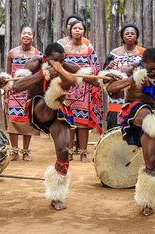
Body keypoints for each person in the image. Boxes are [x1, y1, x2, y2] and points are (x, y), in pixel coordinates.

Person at [0, 42, 81, 210]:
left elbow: (93, 79)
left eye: (61, 61)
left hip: (57, 110)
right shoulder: (34, 64)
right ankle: (58, 93)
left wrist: (109, 78)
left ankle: (56, 195)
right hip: (37, 106)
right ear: (45, 57)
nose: (58, 64)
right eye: (54, 60)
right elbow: (17, 87)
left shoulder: (68, 66)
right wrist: (42, 74)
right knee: (55, 93)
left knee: (63, 150)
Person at [105, 48, 155, 216]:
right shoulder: (131, 69)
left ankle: (148, 201)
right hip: (133, 110)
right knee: (146, 116)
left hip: (152, 113)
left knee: (151, 159)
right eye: (150, 69)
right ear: (142, 63)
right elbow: (112, 89)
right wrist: (132, 79)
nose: (153, 71)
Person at [63, 20, 102, 163]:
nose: (77, 30)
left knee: (83, 122)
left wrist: (93, 86)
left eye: (80, 28)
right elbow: (59, 67)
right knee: (69, 122)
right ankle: (69, 151)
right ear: (70, 31)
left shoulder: (89, 49)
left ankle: (83, 152)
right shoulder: (65, 49)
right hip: (69, 88)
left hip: (85, 89)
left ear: (84, 32)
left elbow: (95, 68)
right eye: (75, 28)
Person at [5, 27, 42, 161]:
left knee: (28, 121)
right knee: (13, 120)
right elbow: (8, 75)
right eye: (24, 33)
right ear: (20, 36)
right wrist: (6, 96)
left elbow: (39, 76)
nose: (26, 35)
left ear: (33, 38)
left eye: (29, 34)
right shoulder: (12, 53)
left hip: (29, 92)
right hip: (14, 92)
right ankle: (14, 151)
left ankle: (25, 152)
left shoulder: (38, 54)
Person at [104, 24, 145, 129]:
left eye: (133, 34)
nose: (130, 36)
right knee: (115, 128)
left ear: (137, 36)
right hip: (117, 93)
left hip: (136, 93)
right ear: (122, 37)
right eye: (127, 34)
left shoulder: (143, 53)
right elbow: (104, 75)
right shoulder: (114, 53)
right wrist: (108, 67)